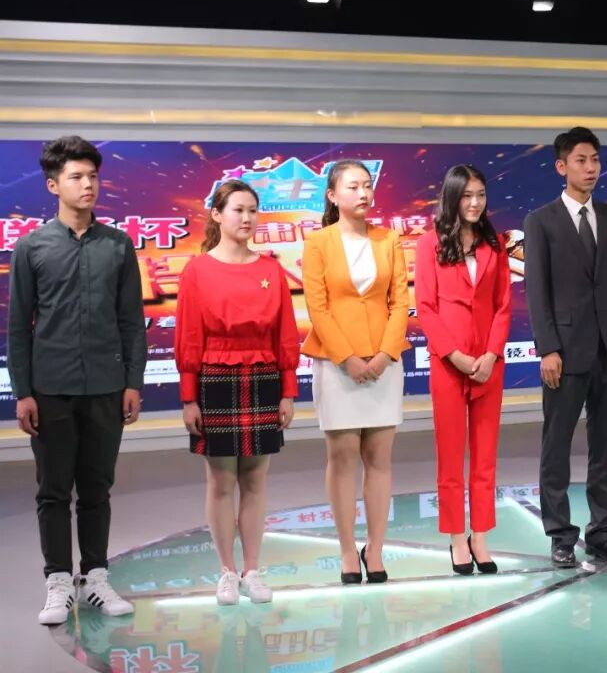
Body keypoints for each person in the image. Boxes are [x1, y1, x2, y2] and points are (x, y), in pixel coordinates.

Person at [8, 136, 146, 624]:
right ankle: (58, 582)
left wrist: (132, 381)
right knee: (52, 491)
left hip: (107, 386)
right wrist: (23, 392)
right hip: (51, 388)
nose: (88, 184)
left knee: (96, 488)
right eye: (76, 177)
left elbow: (131, 320)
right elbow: (19, 325)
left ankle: (96, 578)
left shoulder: (118, 245)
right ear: (53, 185)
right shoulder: (32, 247)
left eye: (92, 176)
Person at [175, 180, 300, 605]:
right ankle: (226, 571)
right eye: (237, 210)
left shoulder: (271, 270)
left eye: (252, 211)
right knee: (221, 479)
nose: (247, 218)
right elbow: (189, 336)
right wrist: (189, 397)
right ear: (217, 214)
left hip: (264, 377)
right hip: (215, 378)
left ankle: (252, 570)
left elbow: (285, 334)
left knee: (256, 478)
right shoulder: (197, 270)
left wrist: (287, 391)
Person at [524, 126, 607, 568]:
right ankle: (560, 534)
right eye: (581, 161)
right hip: (565, 352)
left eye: (595, 160)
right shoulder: (541, 221)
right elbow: (537, 291)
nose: (590, 168)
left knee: (605, 448)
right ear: (561, 166)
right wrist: (547, 348)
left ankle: (602, 532)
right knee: (556, 447)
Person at [301, 160, 410, 584]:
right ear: (332, 195)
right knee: (343, 458)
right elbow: (318, 307)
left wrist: (384, 354)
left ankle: (376, 548)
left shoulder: (389, 239)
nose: (363, 193)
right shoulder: (318, 242)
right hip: (336, 363)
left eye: (367, 185)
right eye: (353, 186)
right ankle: (348, 549)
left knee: (379, 458)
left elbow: (400, 303)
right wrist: (347, 357)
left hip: (385, 363)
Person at [414, 164, 512, 575]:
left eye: (481, 195)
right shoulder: (429, 244)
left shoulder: (495, 243)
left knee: (485, 457)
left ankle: (481, 536)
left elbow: (503, 306)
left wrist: (490, 355)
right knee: (451, 457)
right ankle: (457, 537)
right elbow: (426, 307)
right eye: (467, 195)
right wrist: (453, 355)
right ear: (453, 197)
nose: (475, 203)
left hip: (488, 365)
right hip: (449, 364)